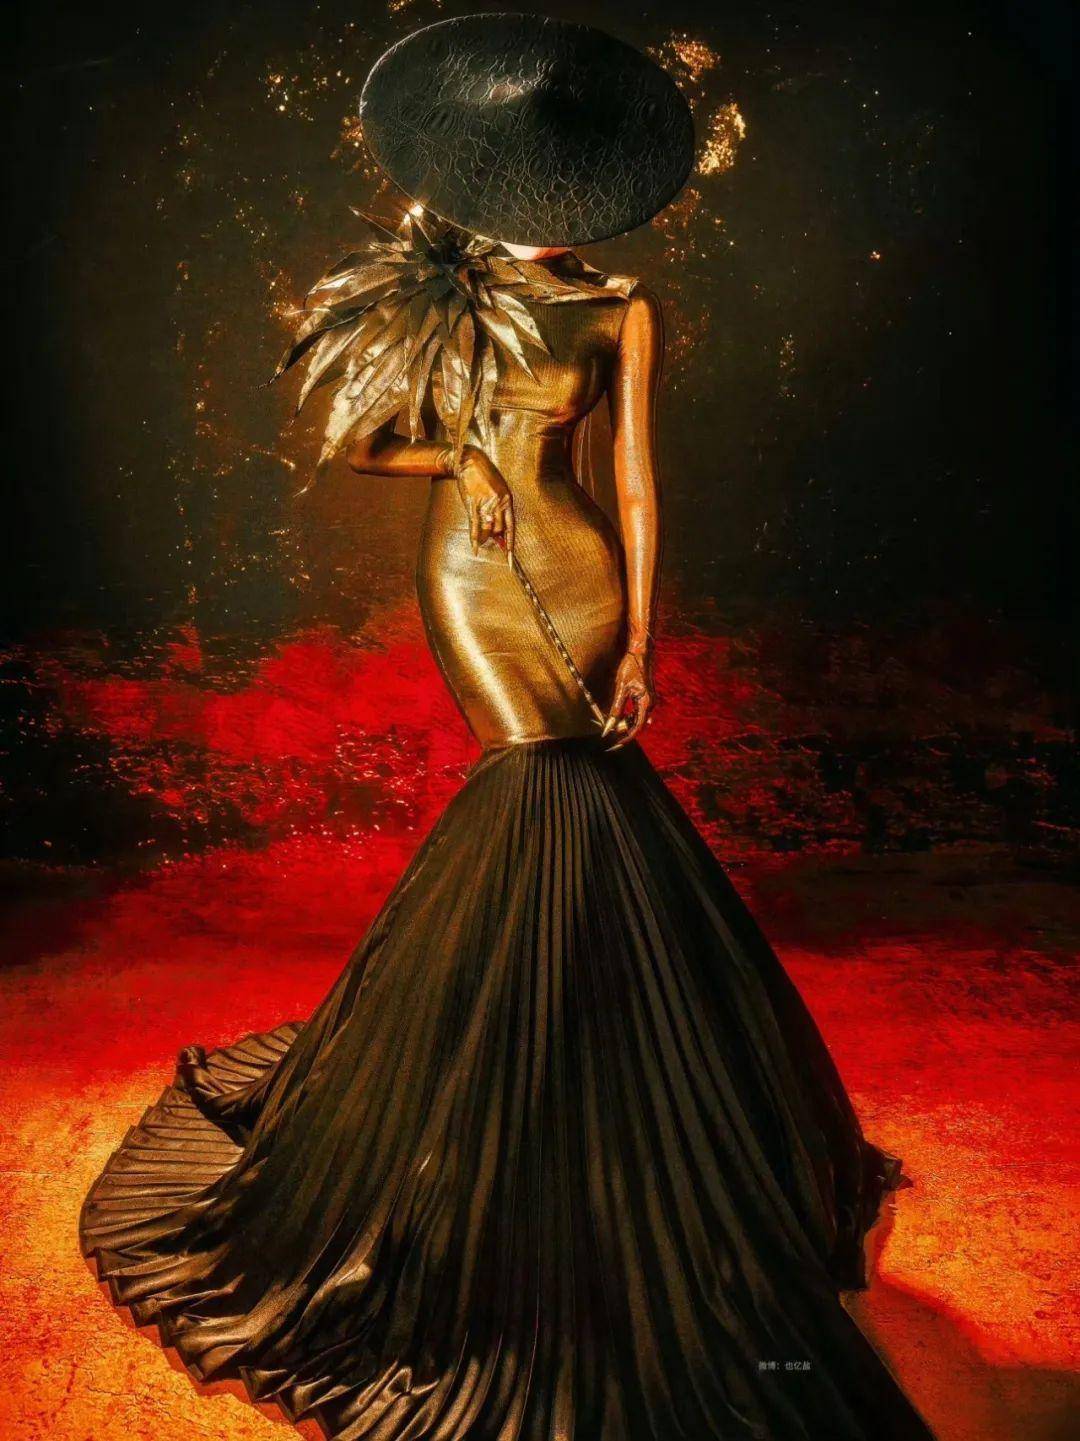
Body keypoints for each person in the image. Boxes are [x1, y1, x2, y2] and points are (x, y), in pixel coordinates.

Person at [81, 15, 936, 1440]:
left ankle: (593, 1092)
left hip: (583, 567)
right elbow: (365, 441)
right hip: (475, 577)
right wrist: (466, 458)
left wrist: (645, 635)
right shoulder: (446, 291)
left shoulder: (622, 309)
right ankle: (502, 1089)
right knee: (534, 788)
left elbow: (638, 483)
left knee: (596, 796)